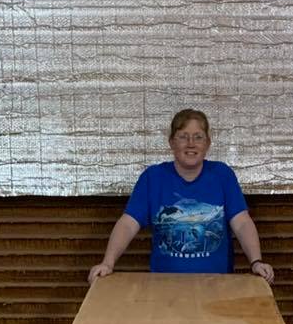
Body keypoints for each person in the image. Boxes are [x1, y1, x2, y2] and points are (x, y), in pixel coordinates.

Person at [88, 110, 275, 286]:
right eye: (183, 137)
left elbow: (241, 222)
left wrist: (256, 262)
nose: (191, 143)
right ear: (171, 142)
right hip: (164, 285)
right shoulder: (152, 178)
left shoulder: (222, 175)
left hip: (217, 284)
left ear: (208, 143)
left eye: (198, 137)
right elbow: (128, 224)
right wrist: (108, 263)